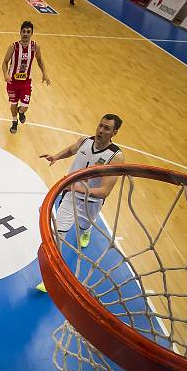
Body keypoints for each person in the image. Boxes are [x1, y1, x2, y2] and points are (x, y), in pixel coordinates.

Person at [35, 114, 125, 292]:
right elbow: (71, 150)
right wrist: (56, 156)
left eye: (107, 128)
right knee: (57, 235)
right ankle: (49, 279)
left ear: (114, 133)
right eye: (100, 125)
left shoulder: (115, 157)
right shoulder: (85, 142)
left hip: (91, 202)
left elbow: (105, 191)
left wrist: (81, 189)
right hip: (70, 197)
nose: (101, 130)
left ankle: (87, 230)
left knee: (84, 226)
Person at [1, 21, 50, 134]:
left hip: (26, 82)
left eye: (28, 32)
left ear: (32, 33)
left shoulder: (35, 47)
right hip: (12, 82)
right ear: (20, 32)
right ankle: (14, 121)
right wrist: (5, 75)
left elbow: (39, 60)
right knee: (13, 103)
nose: (25, 34)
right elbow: (5, 62)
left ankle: (21, 112)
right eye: (24, 31)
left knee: (24, 106)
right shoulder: (13, 47)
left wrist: (45, 73)